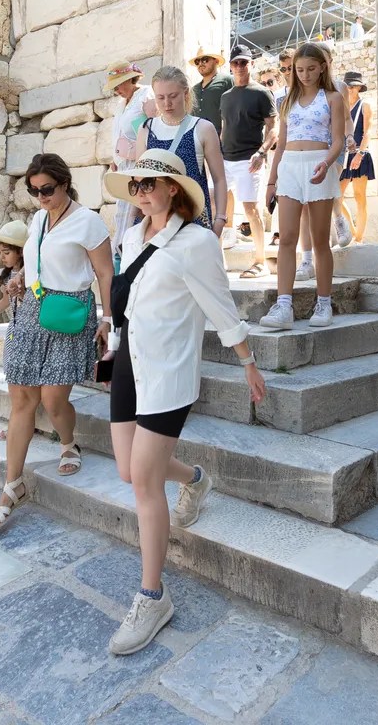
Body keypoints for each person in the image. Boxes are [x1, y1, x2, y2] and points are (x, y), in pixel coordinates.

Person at [101, 150, 266, 655]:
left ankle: (153, 596)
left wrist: (248, 360)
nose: (143, 191)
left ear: (174, 188)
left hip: (170, 372)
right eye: (136, 185)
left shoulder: (196, 242)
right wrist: (110, 348)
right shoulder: (132, 236)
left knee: (144, 484)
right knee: (130, 471)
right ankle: (196, 478)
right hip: (130, 362)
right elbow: (125, 303)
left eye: (152, 183)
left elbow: (220, 303)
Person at [0, 154, 113, 530]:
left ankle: (68, 442)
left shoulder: (88, 222)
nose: (40, 197)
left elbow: (105, 273)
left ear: (64, 183)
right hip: (30, 310)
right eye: (33, 190)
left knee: (53, 399)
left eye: (47, 189)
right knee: (22, 400)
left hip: (68, 311)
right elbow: (35, 256)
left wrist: (108, 319)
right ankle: (11, 487)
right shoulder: (38, 218)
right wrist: (21, 277)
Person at [261, 42, 346, 329]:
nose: (305, 74)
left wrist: (328, 162)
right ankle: (283, 305)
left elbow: (338, 140)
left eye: (311, 68)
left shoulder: (333, 97)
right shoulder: (286, 101)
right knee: (286, 238)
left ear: (323, 67)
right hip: (289, 168)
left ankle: (323, 303)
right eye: (299, 70)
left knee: (320, 239)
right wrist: (271, 181)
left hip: (318, 162)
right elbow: (281, 143)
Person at [134, 67, 228, 234]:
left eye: (173, 96)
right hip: (155, 220)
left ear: (185, 94)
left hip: (192, 218)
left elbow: (219, 178)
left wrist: (220, 218)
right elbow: (139, 179)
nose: (167, 104)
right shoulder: (146, 129)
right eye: (160, 98)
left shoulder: (203, 128)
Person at [219, 48, 277, 276]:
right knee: (216, 208)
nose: (240, 67)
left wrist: (262, 153)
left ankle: (260, 261)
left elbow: (274, 127)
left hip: (249, 159)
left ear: (251, 64)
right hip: (225, 159)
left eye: (244, 62)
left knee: (251, 210)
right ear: (231, 66)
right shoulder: (225, 97)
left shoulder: (262, 93)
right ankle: (218, 262)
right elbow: (225, 128)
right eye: (236, 63)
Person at [271, 48, 317, 279]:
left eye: (292, 67)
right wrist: (273, 179)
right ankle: (304, 261)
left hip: (317, 158)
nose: (289, 72)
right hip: (290, 160)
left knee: (310, 209)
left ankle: (309, 259)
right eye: (285, 69)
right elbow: (282, 138)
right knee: (296, 216)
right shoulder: (281, 97)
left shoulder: (324, 95)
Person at [105, 63, 157, 260]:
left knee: (133, 212)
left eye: (118, 85)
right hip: (124, 165)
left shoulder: (146, 95)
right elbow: (119, 132)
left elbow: (156, 128)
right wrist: (115, 158)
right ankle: (121, 256)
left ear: (129, 79)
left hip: (139, 164)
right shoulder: (122, 103)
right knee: (122, 213)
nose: (116, 90)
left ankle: (123, 255)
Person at [338, 70, 376, 244]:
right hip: (345, 156)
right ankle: (353, 232)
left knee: (360, 196)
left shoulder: (365, 105)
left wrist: (359, 154)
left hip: (360, 154)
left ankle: (359, 238)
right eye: (348, 86)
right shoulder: (342, 107)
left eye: (354, 86)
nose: (351, 89)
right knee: (336, 197)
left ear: (359, 87)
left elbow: (367, 132)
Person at [188, 47, 233, 136]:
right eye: (197, 62)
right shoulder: (194, 89)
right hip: (197, 139)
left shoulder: (227, 81)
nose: (200, 64)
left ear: (216, 61)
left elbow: (235, 110)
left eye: (204, 60)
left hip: (220, 139)